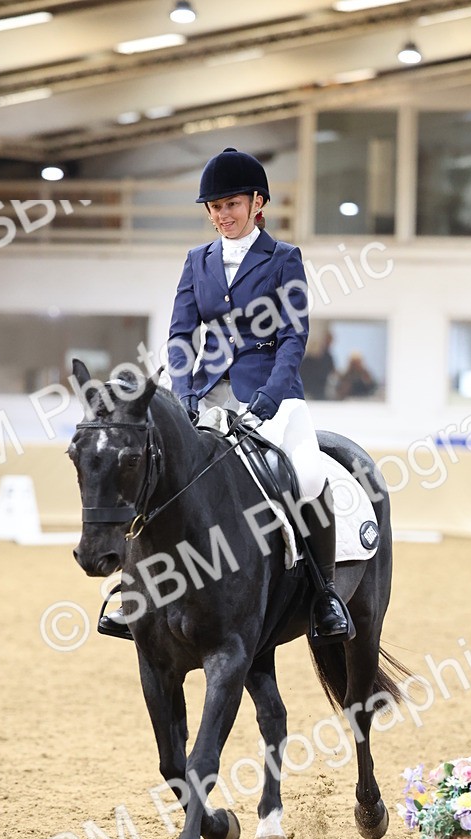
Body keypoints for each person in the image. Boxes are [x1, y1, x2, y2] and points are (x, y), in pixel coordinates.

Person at [99, 147, 351, 642]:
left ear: (258, 203)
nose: (222, 216)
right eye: (214, 208)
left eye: (232, 205)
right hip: (207, 394)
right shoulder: (197, 261)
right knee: (162, 474)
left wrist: (273, 396)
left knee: (307, 475)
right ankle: (134, 592)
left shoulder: (284, 260)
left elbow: (293, 337)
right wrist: (184, 391)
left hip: (270, 395)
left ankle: (323, 594)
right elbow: (180, 335)